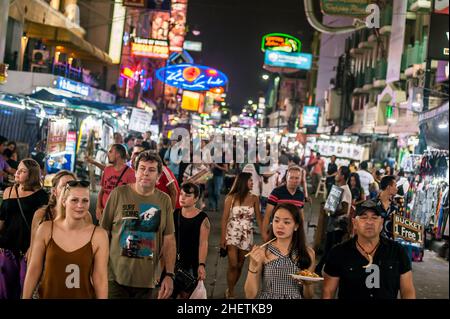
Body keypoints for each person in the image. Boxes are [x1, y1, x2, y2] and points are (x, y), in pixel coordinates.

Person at [100, 151, 176, 299]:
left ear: (159, 176)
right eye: (142, 168)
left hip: (146, 281)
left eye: (151, 170)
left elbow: (169, 239)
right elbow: (103, 232)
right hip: (115, 278)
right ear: (135, 172)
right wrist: (98, 268)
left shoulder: (164, 200)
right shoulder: (118, 194)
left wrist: (169, 274)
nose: (145, 173)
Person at [23, 180, 109, 299]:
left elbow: (100, 277)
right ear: (64, 201)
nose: (80, 205)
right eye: (74, 200)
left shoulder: (99, 235)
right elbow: (34, 269)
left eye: (85, 200)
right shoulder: (46, 229)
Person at [322, 200, 416, 299]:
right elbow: (328, 291)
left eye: (374, 218)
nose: (369, 222)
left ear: (381, 223)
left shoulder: (397, 251)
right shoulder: (338, 253)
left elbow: (407, 290)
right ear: (354, 223)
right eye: (363, 217)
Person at [244, 203, 316, 299]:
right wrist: (252, 266)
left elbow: (309, 296)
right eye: (276, 220)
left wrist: (308, 284)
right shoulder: (263, 251)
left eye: (286, 222)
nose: (280, 226)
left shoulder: (308, 253)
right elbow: (250, 295)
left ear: (296, 226)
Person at [0, 159, 49, 299]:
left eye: (22, 171)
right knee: (5, 289)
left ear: (32, 175)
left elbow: (42, 225)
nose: (17, 173)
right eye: (18, 169)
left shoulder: (41, 196)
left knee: (25, 287)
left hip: (28, 250)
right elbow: (2, 218)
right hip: (7, 248)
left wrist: (34, 247)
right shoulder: (8, 191)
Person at [30, 170, 93, 258]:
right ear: (54, 191)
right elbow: (33, 249)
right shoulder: (41, 214)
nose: (68, 190)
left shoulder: (85, 216)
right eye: (64, 186)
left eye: (71, 186)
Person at [220, 172, 263, 299]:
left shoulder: (255, 198)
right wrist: (223, 237)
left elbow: (259, 219)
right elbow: (224, 219)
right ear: (243, 182)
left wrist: (265, 234)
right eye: (250, 180)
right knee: (233, 265)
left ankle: (230, 288)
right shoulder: (230, 198)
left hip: (247, 234)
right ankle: (231, 291)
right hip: (232, 233)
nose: (252, 183)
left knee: (240, 265)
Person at [172, 183, 210, 299]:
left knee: (186, 294)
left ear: (196, 198)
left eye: (187, 195)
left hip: (192, 262)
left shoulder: (202, 218)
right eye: (181, 194)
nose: (182, 198)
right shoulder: (175, 214)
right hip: (174, 261)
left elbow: (203, 243)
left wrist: (201, 265)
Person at [315, 166, 352, 274]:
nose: (336, 175)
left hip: (338, 226)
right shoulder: (339, 188)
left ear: (343, 176)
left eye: (338, 173)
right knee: (329, 249)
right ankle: (321, 269)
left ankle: (322, 269)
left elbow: (345, 209)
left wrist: (332, 212)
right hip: (333, 224)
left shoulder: (345, 190)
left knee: (331, 250)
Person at [262, 165, 306, 242]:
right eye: (291, 177)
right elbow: (267, 215)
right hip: (278, 231)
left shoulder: (301, 195)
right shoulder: (276, 192)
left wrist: (302, 234)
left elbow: (301, 216)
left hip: (293, 233)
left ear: (300, 179)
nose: (294, 180)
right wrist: (264, 234)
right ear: (286, 178)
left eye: (297, 178)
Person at [96, 144, 136, 222]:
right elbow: (102, 191)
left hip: (119, 218)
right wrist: (98, 207)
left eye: (110, 151)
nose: (108, 154)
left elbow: (133, 199)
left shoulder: (131, 173)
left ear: (118, 154)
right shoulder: (107, 169)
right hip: (103, 213)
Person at [375, 175, 399, 240]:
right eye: (395, 186)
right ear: (388, 187)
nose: (397, 189)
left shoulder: (394, 207)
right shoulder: (373, 205)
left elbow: (395, 230)